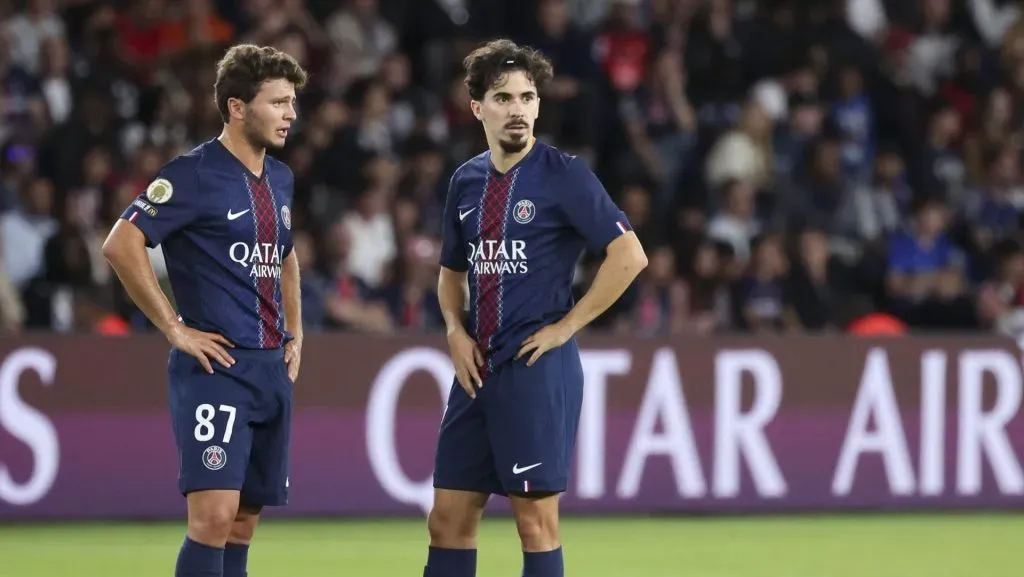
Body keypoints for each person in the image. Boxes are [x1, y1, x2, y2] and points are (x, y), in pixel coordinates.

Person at [426, 39, 648, 577]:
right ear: (477, 107)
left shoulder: (564, 174)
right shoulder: (466, 181)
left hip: (534, 368)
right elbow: (451, 273)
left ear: (539, 106)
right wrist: (454, 329)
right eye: (503, 98)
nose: (518, 109)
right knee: (447, 521)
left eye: (527, 97)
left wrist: (566, 327)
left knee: (535, 525)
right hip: (476, 370)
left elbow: (629, 256)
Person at [101, 44, 307, 577]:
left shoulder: (280, 178)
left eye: (292, 102)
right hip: (217, 370)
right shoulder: (192, 174)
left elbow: (285, 256)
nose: (291, 114)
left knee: (242, 524)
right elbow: (121, 244)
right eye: (278, 102)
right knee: (212, 518)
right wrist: (174, 328)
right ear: (237, 107)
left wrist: (296, 330)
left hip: (270, 369)